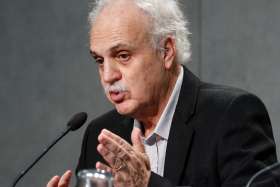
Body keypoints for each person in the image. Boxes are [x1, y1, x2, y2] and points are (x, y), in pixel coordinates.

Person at [47, 0, 277, 186]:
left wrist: (148, 184)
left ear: (166, 52)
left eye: (123, 55)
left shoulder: (231, 116)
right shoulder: (102, 136)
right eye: (99, 60)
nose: (108, 76)